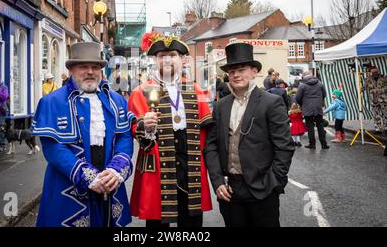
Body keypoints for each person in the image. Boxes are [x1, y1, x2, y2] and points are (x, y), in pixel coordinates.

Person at [32, 42, 135, 227]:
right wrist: (87, 176)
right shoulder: (52, 102)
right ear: (71, 69)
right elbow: (53, 148)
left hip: (109, 185)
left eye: (95, 67)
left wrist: (116, 169)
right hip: (68, 186)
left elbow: (124, 136)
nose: (90, 71)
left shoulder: (117, 100)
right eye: (83, 67)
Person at [128, 32, 213, 227]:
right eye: (161, 56)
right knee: (157, 224)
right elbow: (134, 132)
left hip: (190, 166)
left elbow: (207, 135)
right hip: (158, 167)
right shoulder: (140, 92)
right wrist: (144, 128)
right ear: (155, 60)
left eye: (173, 54)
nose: (167, 59)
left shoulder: (197, 90)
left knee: (191, 223)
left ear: (182, 59)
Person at [205, 43, 294, 227]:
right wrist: (217, 182)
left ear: (254, 71)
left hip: (263, 190)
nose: (236, 74)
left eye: (241, 69)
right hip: (230, 190)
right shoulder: (221, 106)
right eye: (231, 71)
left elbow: (284, 147)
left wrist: (274, 183)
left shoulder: (272, 102)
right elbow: (212, 145)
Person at [295, 71, 329, 150]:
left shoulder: (302, 85)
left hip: (307, 108)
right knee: (320, 125)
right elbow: (324, 94)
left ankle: (312, 144)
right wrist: (319, 101)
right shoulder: (320, 84)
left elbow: (297, 98)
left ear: (303, 77)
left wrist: (302, 104)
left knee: (310, 127)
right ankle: (324, 144)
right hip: (318, 107)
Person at [366, 66, 387, 134]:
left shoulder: (384, 77)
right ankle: (378, 129)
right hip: (374, 100)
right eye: (372, 72)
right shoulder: (368, 79)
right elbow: (364, 87)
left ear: (378, 71)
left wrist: (379, 90)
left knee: (385, 114)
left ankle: (386, 128)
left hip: (383, 99)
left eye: (375, 71)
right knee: (376, 114)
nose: (374, 73)